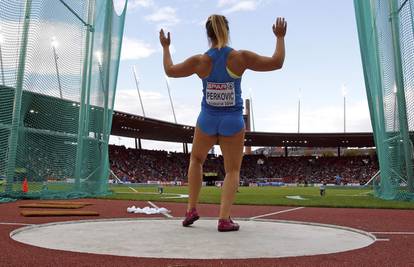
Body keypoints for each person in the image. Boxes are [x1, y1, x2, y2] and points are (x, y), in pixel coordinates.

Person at [159, 15, 287, 232]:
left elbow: (170, 70)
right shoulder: (240, 57)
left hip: (207, 119)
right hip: (233, 121)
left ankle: (191, 209)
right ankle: (224, 218)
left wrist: (165, 47)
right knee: (232, 170)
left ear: (207, 34)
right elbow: (277, 62)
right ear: (227, 32)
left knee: (196, 160)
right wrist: (280, 37)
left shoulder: (200, 61)